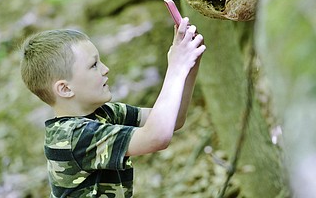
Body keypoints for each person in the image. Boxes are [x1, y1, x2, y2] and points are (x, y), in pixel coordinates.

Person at [20, 17, 206, 197]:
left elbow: (172, 121)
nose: (105, 69)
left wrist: (189, 66)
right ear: (65, 88)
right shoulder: (73, 137)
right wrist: (176, 68)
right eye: (93, 65)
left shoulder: (103, 113)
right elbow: (156, 137)